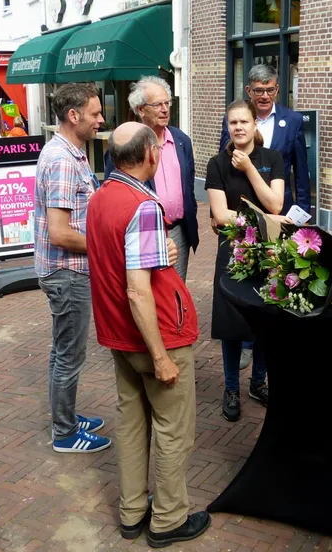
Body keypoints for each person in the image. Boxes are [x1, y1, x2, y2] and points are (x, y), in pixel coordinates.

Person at [87, 121, 211, 549]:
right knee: (174, 430)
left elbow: (115, 258)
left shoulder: (102, 196)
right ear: (151, 155)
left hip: (118, 335)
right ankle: (168, 520)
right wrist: (160, 355)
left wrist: (164, 251)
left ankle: (132, 511)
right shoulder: (141, 204)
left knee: (132, 423)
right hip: (155, 335)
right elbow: (138, 290)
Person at [34, 82, 111, 454]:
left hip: (67, 272)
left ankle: (65, 417)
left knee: (61, 351)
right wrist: (110, 245)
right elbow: (61, 233)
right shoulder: (64, 160)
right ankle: (64, 433)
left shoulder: (69, 153)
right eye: (95, 114)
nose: (101, 120)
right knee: (69, 355)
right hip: (69, 273)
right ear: (73, 116)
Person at [207, 100, 288, 422]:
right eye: (232, 123)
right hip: (233, 251)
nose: (238, 127)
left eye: (244, 122)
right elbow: (219, 214)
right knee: (231, 325)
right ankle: (230, 387)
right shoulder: (216, 164)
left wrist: (250, 170)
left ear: (256, 125)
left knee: (264, 320)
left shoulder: (272, 159)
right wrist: (261, 221)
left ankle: (258, 383)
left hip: (267, 252)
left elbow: (276, 205)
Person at [104, 76, 199, 282]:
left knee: (176, 289)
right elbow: (114, 194)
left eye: (167, 103)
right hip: (142, 233)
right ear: (140, 110)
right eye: (157, 104)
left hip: (178, 232)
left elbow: (189, 185)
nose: (165, 109)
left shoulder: (182, 140)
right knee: (145, 289)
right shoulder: (125, 144)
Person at [219, 64, 310, 215]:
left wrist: (303, 212)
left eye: (270, 90)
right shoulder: (234, 120)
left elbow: (301, 172)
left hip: (279, 207)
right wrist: (215, 212)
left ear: (277, 89)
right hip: (240, 205)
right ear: (249, 91)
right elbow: (222, 164)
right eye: (259, 90)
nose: (265, 96)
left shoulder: (293, 121)